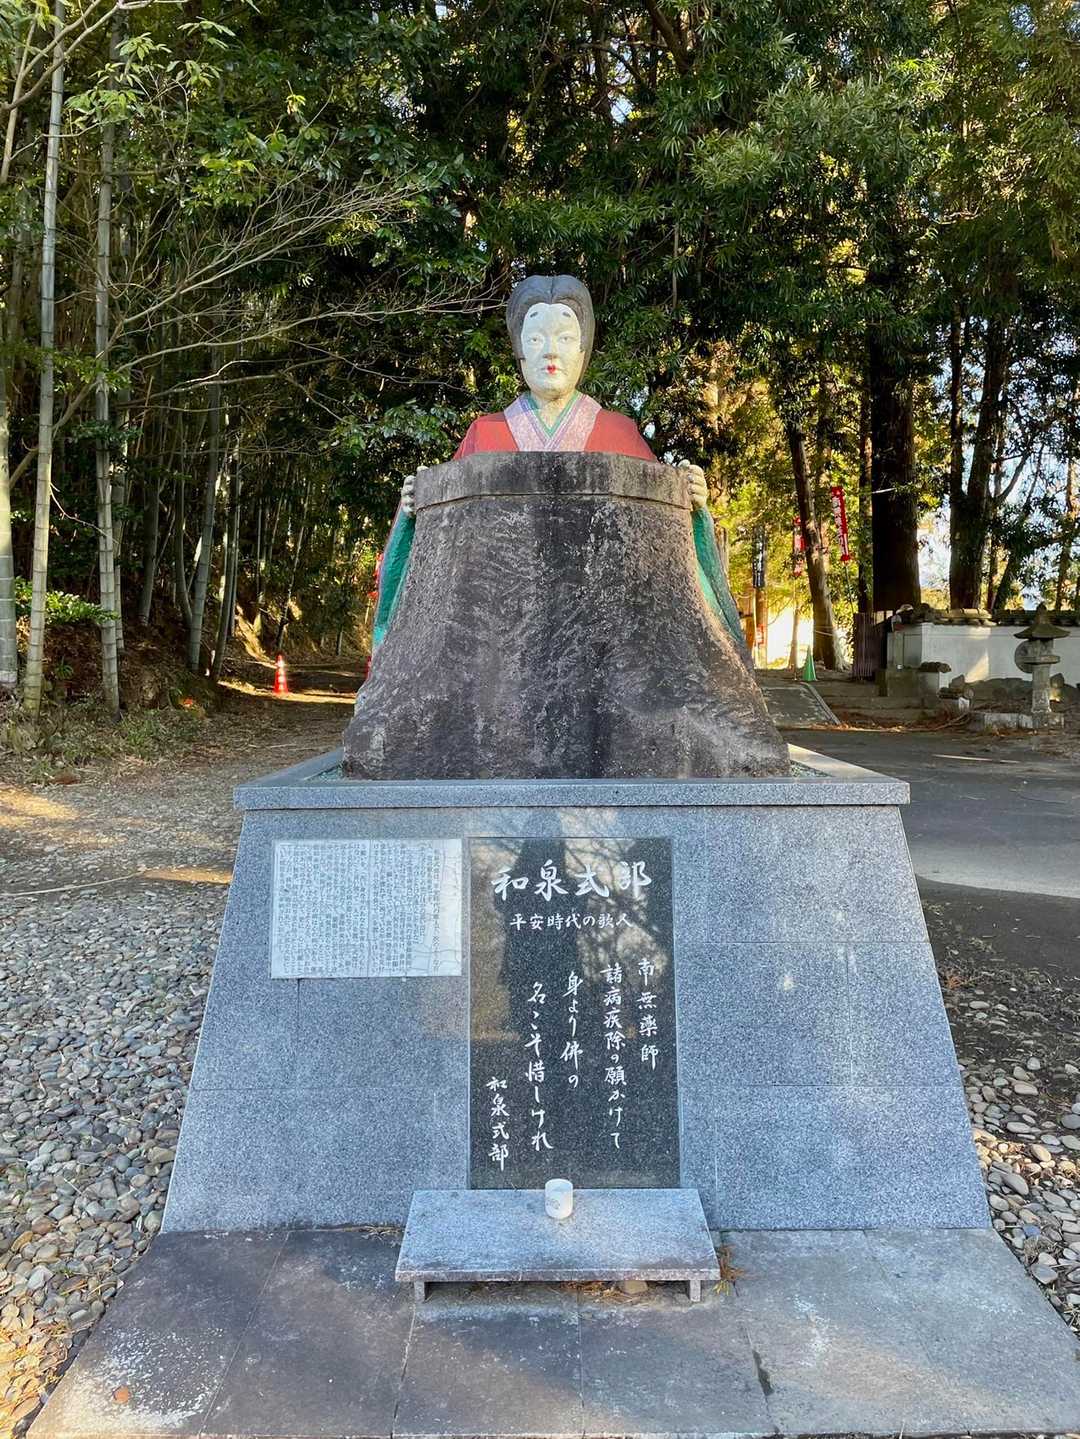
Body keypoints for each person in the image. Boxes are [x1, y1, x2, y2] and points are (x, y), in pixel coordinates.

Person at [370, 273, 747, 656]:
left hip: (600, 640)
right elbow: (446, 549)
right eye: (536, 339)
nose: (550, 352)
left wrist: (692, 505)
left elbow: (664, 545)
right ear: (519, 349)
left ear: (583, 349)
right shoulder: (485, 433)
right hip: (500, 638)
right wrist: (416, 510)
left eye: (565, 338)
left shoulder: (619, 432)